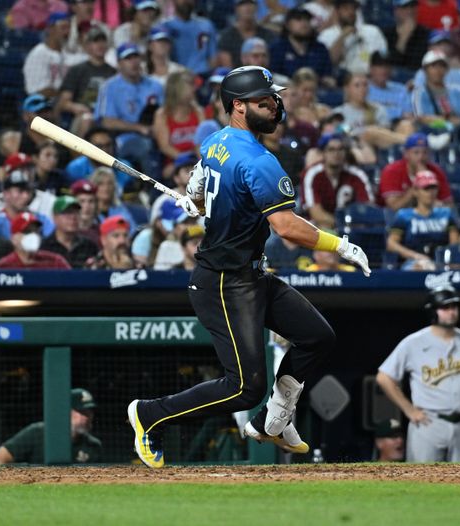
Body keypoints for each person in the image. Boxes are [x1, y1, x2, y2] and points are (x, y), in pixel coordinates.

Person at [126, 65, 371, 468]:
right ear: (238, 106)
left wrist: (196, 200)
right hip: (223, 282)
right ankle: (149, 414)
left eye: (274, 99)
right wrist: (340, 245)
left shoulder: (215, 140)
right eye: (265, 101)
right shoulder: (260, 161)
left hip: (250, 274)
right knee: (244, 386)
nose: (276, 107)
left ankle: (275, 419)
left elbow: (203, 181)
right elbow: (287, 227)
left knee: (316, 336)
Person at [376, 286, 460, 462]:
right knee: (422, 481)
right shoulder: (414, 343)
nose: (452, 312)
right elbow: (384, 377)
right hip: (429, 423)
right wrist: (408, 409)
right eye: (445, 308)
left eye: (455, 307)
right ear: (433, 311)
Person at [94, 43, 164, 179]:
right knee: (144, 146)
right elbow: (106, 121)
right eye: (128, 59)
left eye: (136, 57)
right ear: (119, 63)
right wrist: (139, 128)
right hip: (121, 137)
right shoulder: (109, 87)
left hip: (155, 133)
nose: (134, 62)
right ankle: (152, 189)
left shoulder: (155, 85)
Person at [0, 388, 101, 464]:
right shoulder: (37, 433)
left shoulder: (93, 446)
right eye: (82, 412)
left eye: (90, 412)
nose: (88, 417)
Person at [387, 170, 460, 270]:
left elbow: (454, 245)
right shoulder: (404, 215)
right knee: (420, 268)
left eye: (433, 188)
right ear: (416, 191)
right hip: (413, 261)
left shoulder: (446, 214)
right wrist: (415, 256)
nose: (431, 193)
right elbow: (391, 244)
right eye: (426, 189)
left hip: (442, 262)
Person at [300, 132, 373, 227]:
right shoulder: (312, 174)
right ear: (323, 153)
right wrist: (343, 225)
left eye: (340, 149)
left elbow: (368, 208)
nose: (336, 154)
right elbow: (316, 214)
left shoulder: (357, 175)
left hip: (353, 228)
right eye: (331, 149)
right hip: (319, 229)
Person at [57, 25, 115, 137]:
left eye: (103, 41)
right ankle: (79, 154)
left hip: (107, 117)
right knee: (87, 119)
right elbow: (63, 102)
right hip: (83, 116)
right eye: (95, 41)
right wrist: (76, 107)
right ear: (87, 46)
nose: (100, 45)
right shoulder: (77, 70)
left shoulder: (114, 73)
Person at [377, 133, 453, 211]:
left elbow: (450, 205)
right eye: (416, 152)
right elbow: (394, 207)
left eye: (425, 152)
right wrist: (418, 185)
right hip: (398, 220)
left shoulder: (436, 171)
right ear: (406, 154)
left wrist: (440, 205)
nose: (421, 157)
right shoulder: (392, 171)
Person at [153, 70, 204, 176]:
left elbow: (203, 142)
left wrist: (197, 161)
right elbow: (165, 146)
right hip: (175, 161)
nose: (194, 88)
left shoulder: (198, 112)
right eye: (189, 85)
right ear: (178, 88)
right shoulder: (162, 115)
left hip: (197, 160)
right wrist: (186, 161)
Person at [318, 0, 388, 74]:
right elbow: (330, 62)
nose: (351, 12)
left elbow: (383, 56)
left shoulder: (372, 31)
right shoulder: (326, 35)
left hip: (370, 77)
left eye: (353, 8)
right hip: (342, 79)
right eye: (346, 9)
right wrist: (342, 36)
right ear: (337, 12)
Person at [269, 8, 333, 85]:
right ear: (287, 25)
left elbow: (328, 76)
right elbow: (273, 76)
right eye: (298, 19)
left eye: (307, 20)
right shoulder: (277, 48)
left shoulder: (320, 49)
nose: (304, 23)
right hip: (285, 92)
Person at [412, 50, 460, 126]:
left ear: (447, 70)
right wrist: (448, 122)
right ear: (425, 70)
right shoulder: (420, 92)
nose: (438, 70)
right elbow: (422, 117)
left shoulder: (457, 90)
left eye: (442, 66)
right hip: (432, 131)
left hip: (459, 130)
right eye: (433, 66)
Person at [0, 211, 71, 269]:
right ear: (14, 239)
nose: (33, 235)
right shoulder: (5, 266)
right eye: (27, 232)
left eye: (36, 231)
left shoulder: (55, 261)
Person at [23, 12, 71, 101]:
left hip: (64, 104)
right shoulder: (38, 54)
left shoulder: (69, 54)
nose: (67, 32)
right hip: (40, 105)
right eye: (63, 28)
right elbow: (39, 91)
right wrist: (68, 95)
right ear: (51, 29)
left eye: (69, 28)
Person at [163, 0, 218, 76]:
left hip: (202, 77)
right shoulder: (165, 26)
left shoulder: (206, 25)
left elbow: (213, 58)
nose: (186, 1)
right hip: (175, 76)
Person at [41, 195, 99, 268]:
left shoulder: (89, 246)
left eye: (76, 213)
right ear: (55, 217)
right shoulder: (44, 247)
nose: (73, 217)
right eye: (67, 213)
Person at [216, 0, 276, 69]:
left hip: (264, 76)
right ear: (236, 9)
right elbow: (227, 68)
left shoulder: (267, 34)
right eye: (243, 4)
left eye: (250, 3)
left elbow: (273, 63)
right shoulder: (226, 36)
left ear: (256, 7)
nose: (247, 8)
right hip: (236, 77)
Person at [384, 0, 431, 72]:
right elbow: (390, 65)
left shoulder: (425, 33)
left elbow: (422, 62)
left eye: (413, 6)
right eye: (405, 7)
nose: (410, 11)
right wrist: (403, 39)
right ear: (396, 11)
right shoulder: (387, 34)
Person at [71, 179, 100, 244]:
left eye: (91, 201)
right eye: (82, 201)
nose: (87, 206)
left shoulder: (101, 232)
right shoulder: (67, 231)